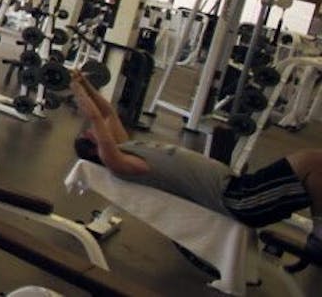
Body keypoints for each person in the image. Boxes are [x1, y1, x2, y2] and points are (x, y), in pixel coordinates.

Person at [70, 69, 322, 258]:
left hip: (238, 185)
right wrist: (76, 89)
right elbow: (95, 117)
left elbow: (106, 113)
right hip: (237, 200)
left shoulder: (128, 148)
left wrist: (85, 83)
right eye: (88, 135)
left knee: (314, 162)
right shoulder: (120, 162)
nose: (90, 130)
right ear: (96, 149)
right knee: (312, 160)